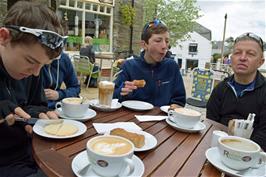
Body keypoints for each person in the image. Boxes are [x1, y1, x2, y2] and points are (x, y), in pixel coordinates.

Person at [0, 1, 65, 176]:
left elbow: (37, 104)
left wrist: (37, 114)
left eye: (43, 65)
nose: (36, 73)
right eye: (30, 61)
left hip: (33, 153)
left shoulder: (33, 72)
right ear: (4, 37)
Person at [206, 32, 266, 151]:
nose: (242, 58)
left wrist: (239, 151)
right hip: (218, 148)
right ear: (231, 58)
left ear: (260, 62)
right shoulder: (220, 88)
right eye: (237, 53)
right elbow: (211, 123)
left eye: (251, 54)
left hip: (251, 154)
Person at [113, 19, 186, 107]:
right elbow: (114, 98)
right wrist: (122, 91)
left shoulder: (172, 66)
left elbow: (179, 100)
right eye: (158, 41)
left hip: (162, 119)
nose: (164, 46)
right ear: (144, 45)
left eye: (167, 41)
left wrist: (175, 107)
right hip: (132, 118)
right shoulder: (129, 66)